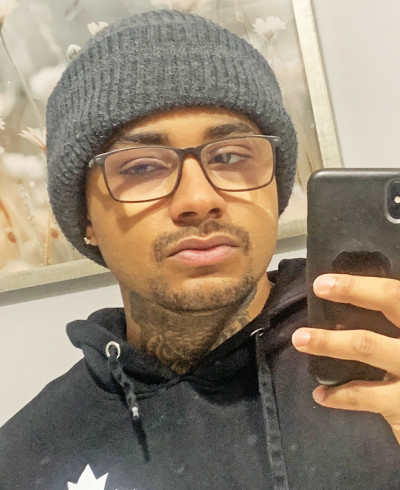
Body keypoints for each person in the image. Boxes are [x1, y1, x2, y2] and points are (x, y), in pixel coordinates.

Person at [0, 9, 399, 490]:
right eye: (141, 167)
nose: (198, 199)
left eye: (231, 156)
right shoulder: (26, 455)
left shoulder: (382, 364)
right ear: (86, 219)